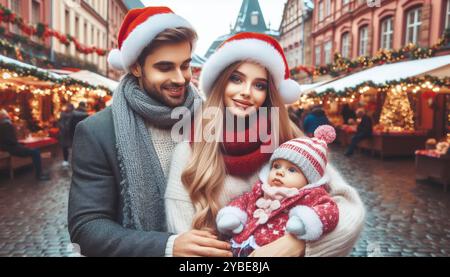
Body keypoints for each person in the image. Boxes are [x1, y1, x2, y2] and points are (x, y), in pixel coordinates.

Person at [165, 32, 365, 257]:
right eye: (236, 79)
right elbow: (183, 234)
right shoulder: (190, 149)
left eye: (259, 85)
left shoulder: (290, 141)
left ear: (269, 94)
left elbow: (349, 209)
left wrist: (297, 245)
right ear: (220, 83)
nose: (246, 92)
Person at [68, 7, 228, 257]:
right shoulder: (97, 131)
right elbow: (87, 228)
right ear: (135, 67)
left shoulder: (213, 119)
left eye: (185, 66)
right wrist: (168, 246)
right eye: (165, 67)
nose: (180, 79)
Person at [216, 125, 339, 257]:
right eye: (276, 166)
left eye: (292, 170)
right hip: (241, 245)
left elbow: (329, 210)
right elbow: (244, 201)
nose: (279, 172)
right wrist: (232, 216)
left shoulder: (311, 195)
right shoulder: (261, 189)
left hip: (273, 248)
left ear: (308, 179)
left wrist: (305, 221)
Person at [0, 109, 50, 181]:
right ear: (5, 116)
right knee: (35, 152)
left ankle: (40, 173)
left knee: (34, 150)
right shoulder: (6, 125)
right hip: (12, 148)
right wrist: (18, 143)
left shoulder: (3, 125)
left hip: (9, 147)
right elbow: (10, 140)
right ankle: (39, 175)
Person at [58, 103, 74, 168]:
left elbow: (60, 124)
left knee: (67, 148)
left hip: (67, 134)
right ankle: (66, 160)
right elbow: (60, 124)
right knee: (66, 148)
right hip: (66, 134)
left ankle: (66, 160)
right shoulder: (64, 115)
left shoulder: (64, 115)